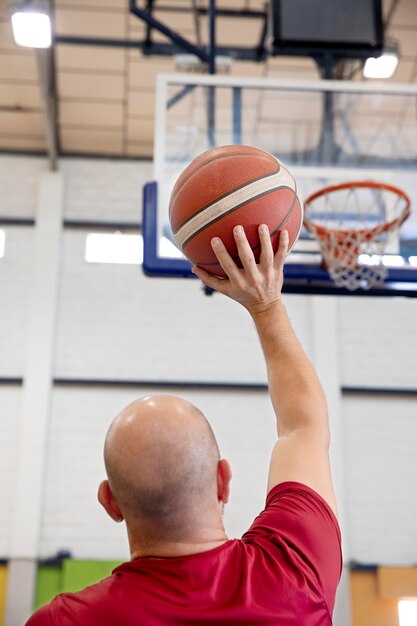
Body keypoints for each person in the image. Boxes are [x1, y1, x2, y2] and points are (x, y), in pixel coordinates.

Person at [26, 226, 342, 625]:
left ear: (110, 502)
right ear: (223, 480)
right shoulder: (293, 570)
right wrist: (265, 304)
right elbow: (304, 427)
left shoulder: (62, 621)